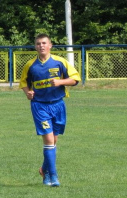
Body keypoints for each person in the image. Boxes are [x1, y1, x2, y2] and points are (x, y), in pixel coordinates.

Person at [20, 34, 81, 187]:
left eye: (44, 43)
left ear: (50, 45)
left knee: (53, 141)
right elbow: (23, 83)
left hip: (58, 105)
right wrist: (28, 92)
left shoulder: (60, 62)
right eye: (38, 43)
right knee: (48, 140)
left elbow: (75, 79)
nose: (41, 45)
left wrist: (60, 81)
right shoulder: (30, 65)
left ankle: (44, 169)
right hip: (40, 106)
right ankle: (52, 176)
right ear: (35, 46)